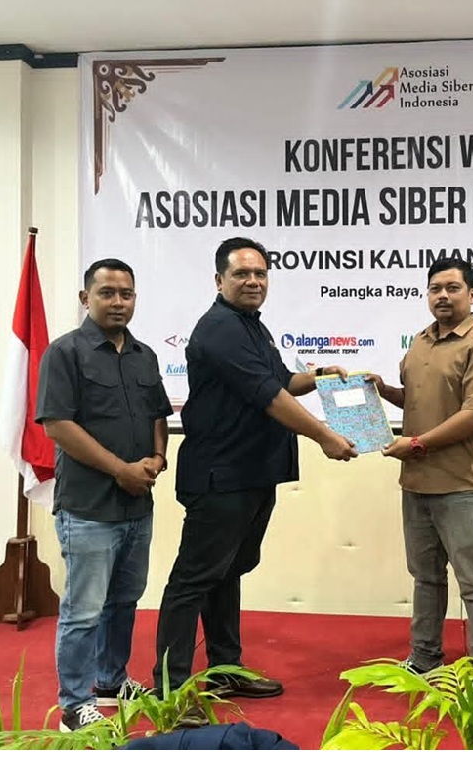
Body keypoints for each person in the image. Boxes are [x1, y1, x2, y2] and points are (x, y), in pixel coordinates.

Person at [153, 236, 357, 718]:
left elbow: (282, 381)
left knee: (226, 574)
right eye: (242, 274)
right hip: (220, 476)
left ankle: (225, 668)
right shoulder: (220, 328)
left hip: (251, 474)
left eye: (260, 273)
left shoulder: (251, 326)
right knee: (193, 580)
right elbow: (269, 396)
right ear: (219, 280)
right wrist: (324, 436)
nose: (252, 281)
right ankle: (171, 691)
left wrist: (321, 376)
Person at [36, 258, 173, 732]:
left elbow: (158, 414)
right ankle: (74, 705)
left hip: (137, 504)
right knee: (83, 611)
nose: (118, 302)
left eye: (126, 294)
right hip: (89, 507)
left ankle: (110, 682)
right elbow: (57, 424)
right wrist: (120, 470)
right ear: (85, 298)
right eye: (107, 293)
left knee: (124, 600)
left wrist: (158, 458)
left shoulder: (144, 355)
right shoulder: (64, 353)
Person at [368, 257, 473, 681]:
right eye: (435, 289)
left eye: (452, 288)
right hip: (417, 481)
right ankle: (425, 656)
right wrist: (382, 390)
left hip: (465, 482)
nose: (443, 296)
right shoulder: (420, 341)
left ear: (472, 294)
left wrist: (417, 444)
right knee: (425, 577)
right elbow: (416, 399)